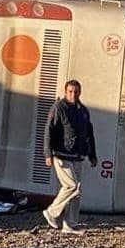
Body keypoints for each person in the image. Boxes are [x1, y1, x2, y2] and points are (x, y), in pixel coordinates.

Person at [42, 80, 97, 234]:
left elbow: (89, 134)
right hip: (61, 154)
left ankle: (70, 224)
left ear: (80, 92)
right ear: (66, 92)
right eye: (70, 91)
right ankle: (52, 212)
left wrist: (92, 155)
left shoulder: (83, 111)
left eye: (76, 91)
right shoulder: (59, 107)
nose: (73, 94)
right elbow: (49, 130)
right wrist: (48, 153)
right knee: (71, 185)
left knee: (77, 191)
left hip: (78, 155)